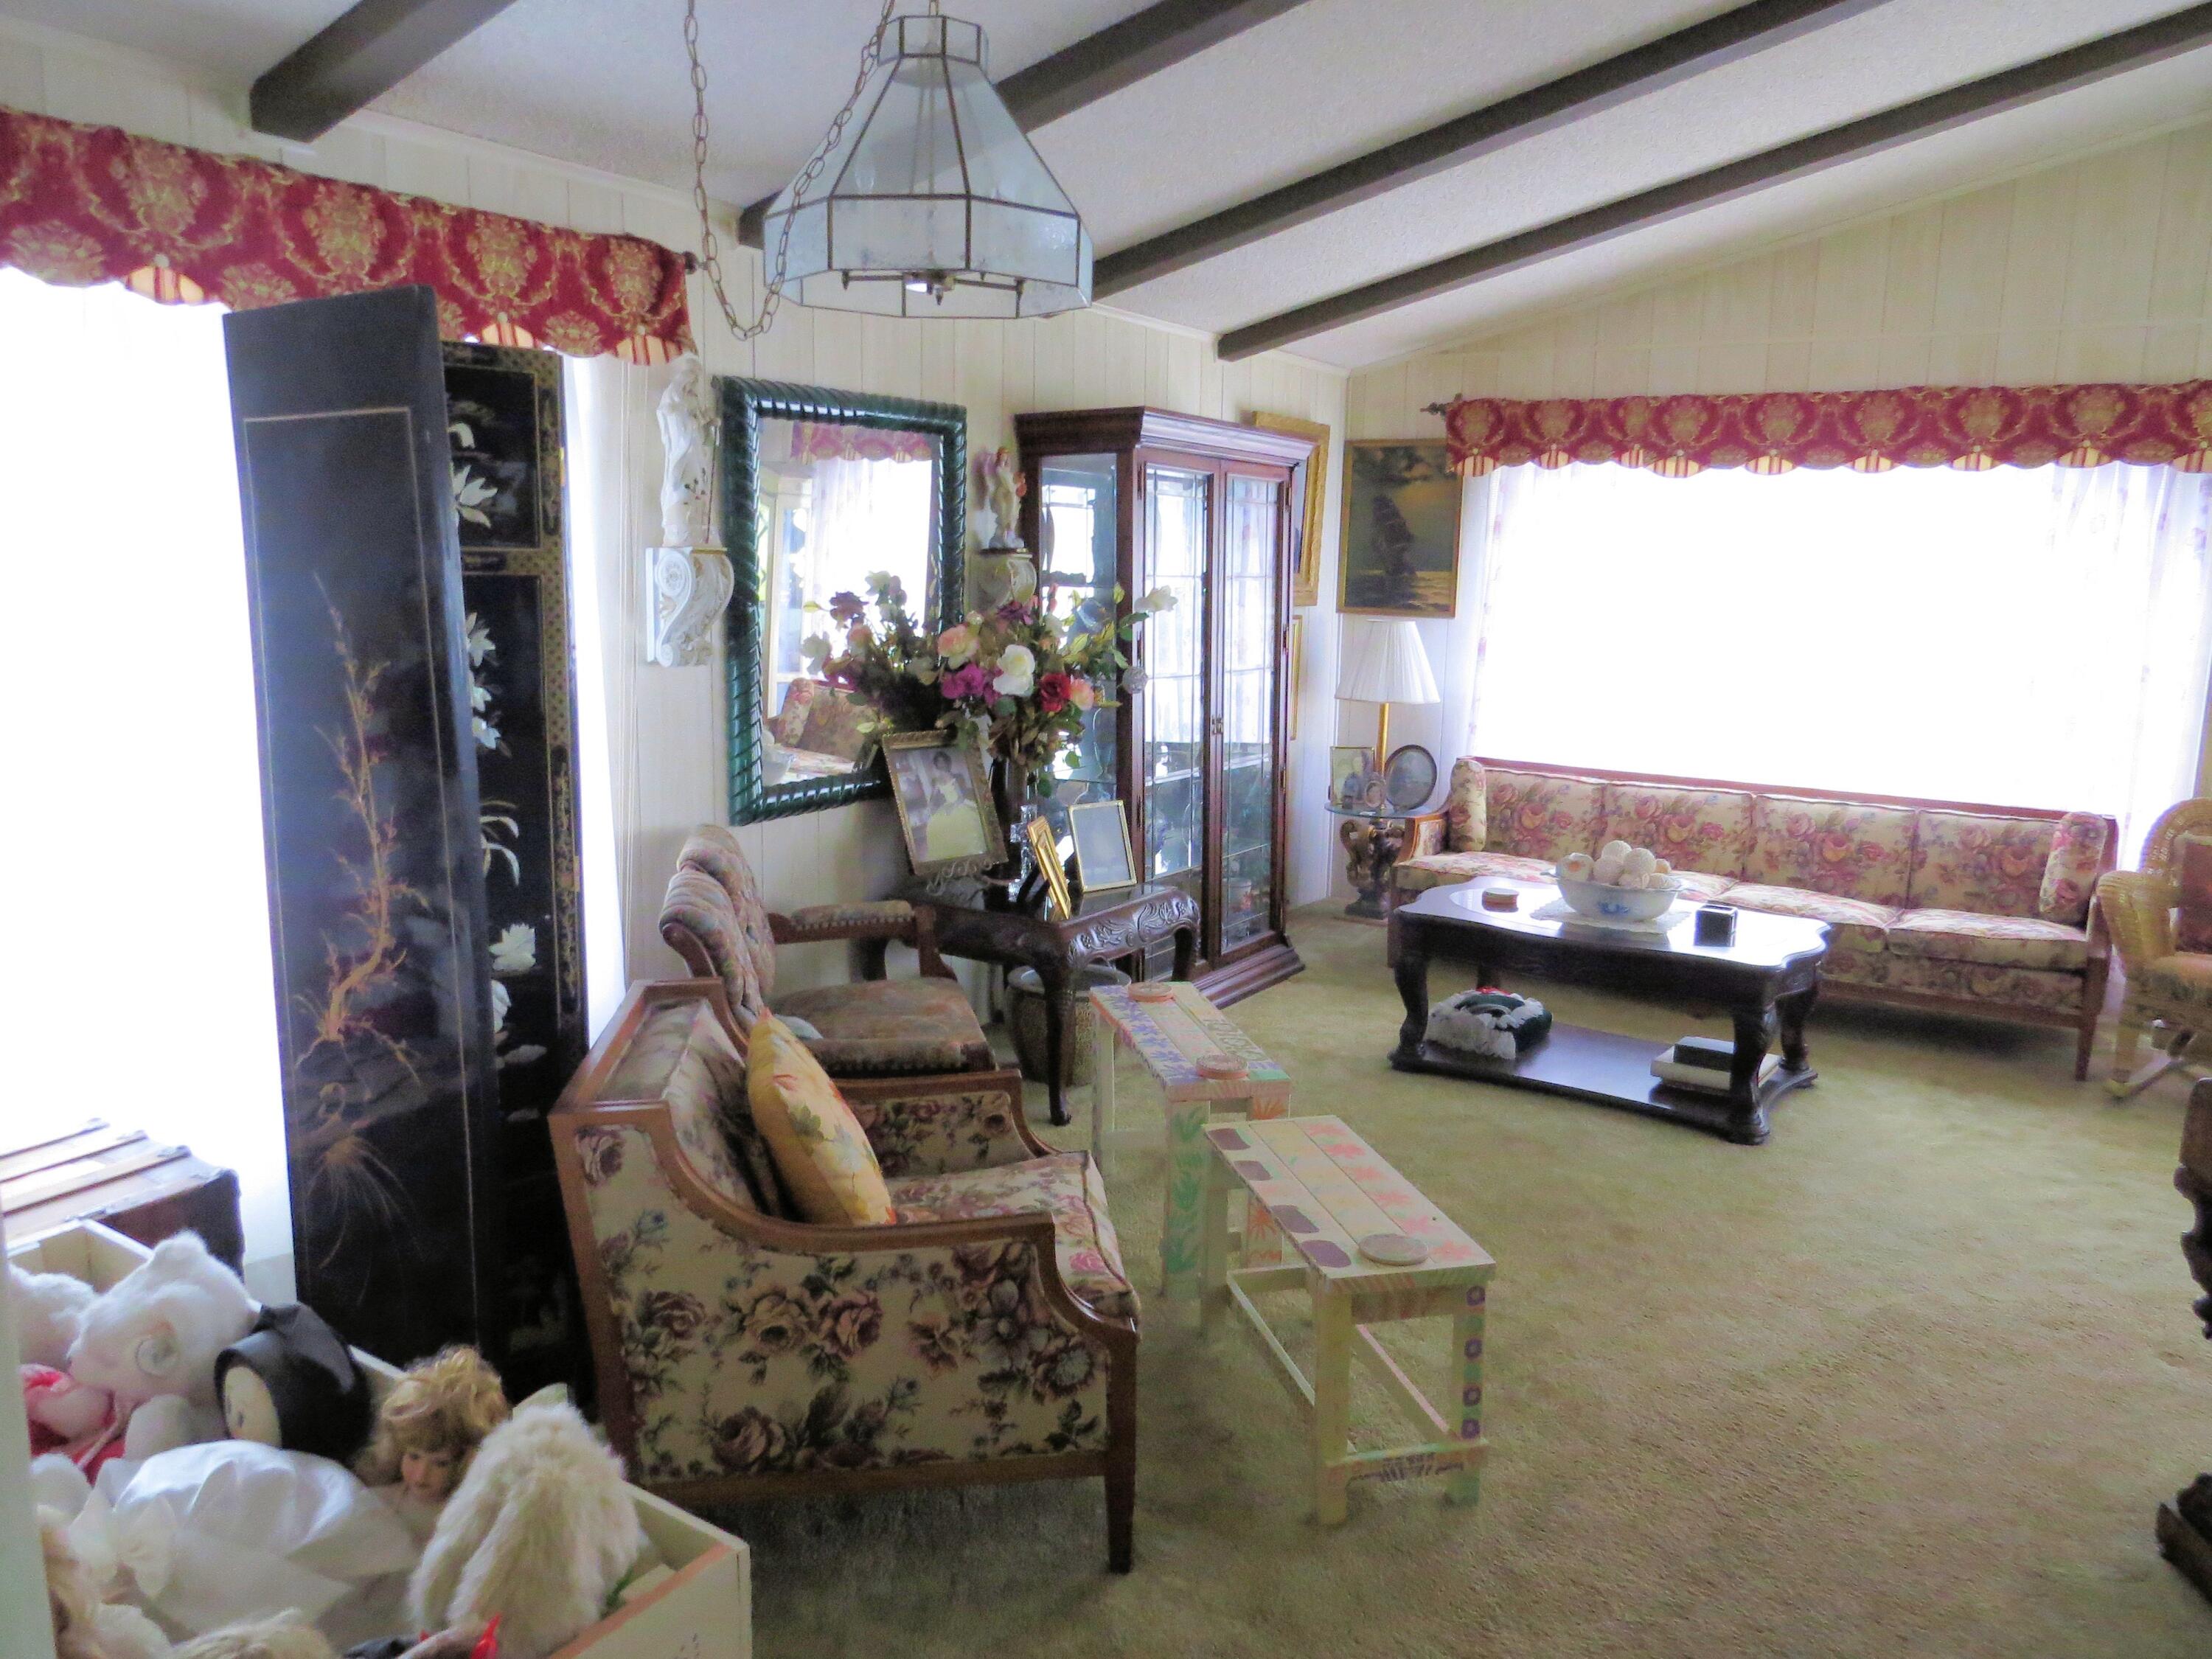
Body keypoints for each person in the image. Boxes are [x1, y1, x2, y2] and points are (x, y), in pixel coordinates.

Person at [917, 748, 988, 861]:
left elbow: (960, 797)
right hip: (947, 804)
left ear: (947, 763)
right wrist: (929, 807)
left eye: (943, 761)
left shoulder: (953, 778)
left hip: (959, 804)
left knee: (965, 822)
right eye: (939, 762)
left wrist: (953, 807)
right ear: (936, 764)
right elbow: (933, 797)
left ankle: (966, 852)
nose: (941, 764)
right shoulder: (937, 781)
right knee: (935, 824)